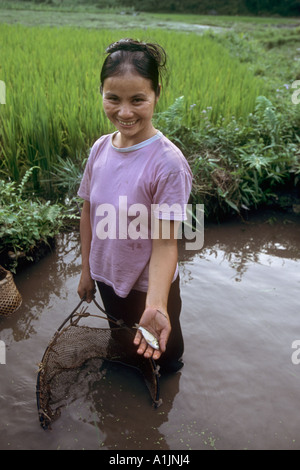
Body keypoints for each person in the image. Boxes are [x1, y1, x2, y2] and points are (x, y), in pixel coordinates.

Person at [77, 38, 192, 373]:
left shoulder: (168, 164)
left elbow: (166, 241)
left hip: (149, 286)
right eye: (113, 98)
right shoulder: (100, 149)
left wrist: (156, 303)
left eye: (137, 100)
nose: (124, 112)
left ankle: (168, 383)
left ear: (156, 92)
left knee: (166, 353)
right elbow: (88, 212)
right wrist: (86, 270)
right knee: (122, 340)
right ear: (101, 93)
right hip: (107, 277)